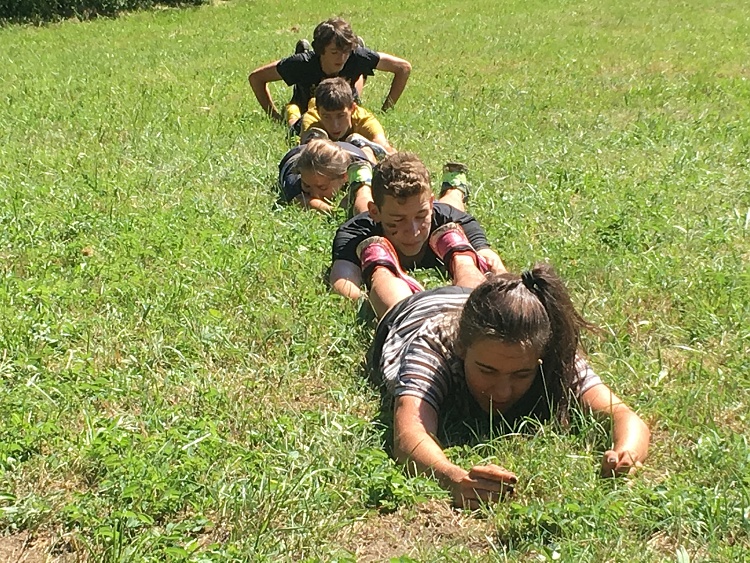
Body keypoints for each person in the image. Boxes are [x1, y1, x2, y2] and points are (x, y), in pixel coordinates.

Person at [362, 233, 651, 509]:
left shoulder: (546, 348)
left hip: (469, 300)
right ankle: (377, 261)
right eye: (487, 370)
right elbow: (409, 435)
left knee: (470, 280)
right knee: (391, 294)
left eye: (521, 374)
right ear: (461, 349)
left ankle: (460, 254)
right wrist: (453, 478)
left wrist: (626, 453)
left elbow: (622, 415)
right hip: (412, 314)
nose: (502, 392)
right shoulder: (434, 344)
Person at [329, 152, 506, 302]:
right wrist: (374, 303)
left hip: (442, 210)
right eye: (398, 220)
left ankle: (454, 187)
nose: (413, 231)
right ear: (376, 212)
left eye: (421, 216)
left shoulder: (449, 220)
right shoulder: (357, 231)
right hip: (371, 216)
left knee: (452, 203)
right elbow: (342, 284)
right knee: (362, 203)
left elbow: (491, 263)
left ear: (430, 205)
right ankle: (360, 184)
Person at [248, 17, 411, 134]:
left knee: (357, 71)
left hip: (345, 102)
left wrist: (386, 108)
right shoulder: (302, 63)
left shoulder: (355, 56)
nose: (341, 58)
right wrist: (274, 116)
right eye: (334, 52)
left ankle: (361, 67)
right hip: (306, 106)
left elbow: (403, 68)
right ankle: (302, 49)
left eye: (346, 51)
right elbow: (256, 78)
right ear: (320, 50)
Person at [277, 137, 375, 214]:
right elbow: (301, 201)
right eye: (306, 186)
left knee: (368, 167)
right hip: (298, 153)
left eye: (322, 187)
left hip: (350, 150)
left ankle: (364, 145)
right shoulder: (293, 177)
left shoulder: (358, 164)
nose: (314, 194)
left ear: (344, 177)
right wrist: (335, 212)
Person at [300, 78, 395, 156]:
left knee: (367, 150)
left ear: (352, 108)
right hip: (300, 123)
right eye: (326, 117)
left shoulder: (364, 120)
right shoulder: (312, 120)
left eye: (341, 116)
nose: (335, 125)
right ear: (318, 112)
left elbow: (386, 149)